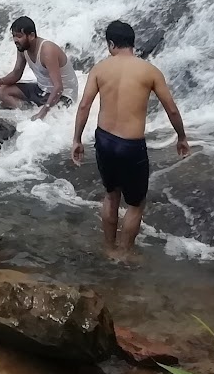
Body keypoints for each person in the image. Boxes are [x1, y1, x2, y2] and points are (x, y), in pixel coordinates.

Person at [71, 20, 189, 256]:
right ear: (132, 43)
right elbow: (172, 110)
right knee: (135, 204)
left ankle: (108, 249)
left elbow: (84, 106)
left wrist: (77, 139)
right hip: (131, 145)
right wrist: (181, 137)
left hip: (104, 140)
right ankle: (124, 254)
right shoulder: (150, 71)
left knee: (111, 195)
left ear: (111, 44)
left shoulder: (100, 69)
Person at [0, 15, 78, 120]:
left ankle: (36, 114)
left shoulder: (47, 51)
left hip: (64, 95)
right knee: (2, 91)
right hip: (42, 90)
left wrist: (42, 113)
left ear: (31, 36)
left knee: (50, 118)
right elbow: (17, 73)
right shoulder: (22, 48)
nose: (15, 40)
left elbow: (58, 87)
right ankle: (27, 113)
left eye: (19, 36)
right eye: (14, 36)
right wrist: (1, 81)